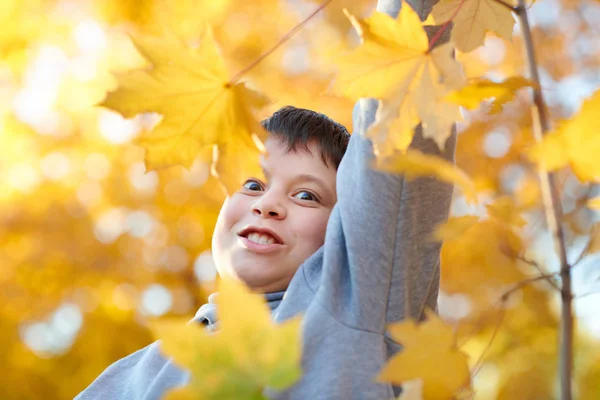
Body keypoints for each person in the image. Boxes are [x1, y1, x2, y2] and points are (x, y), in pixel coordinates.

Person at [76, 100, 455, 399]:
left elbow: (400, 138)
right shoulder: (128, 375)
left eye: (306, 195)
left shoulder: (357, 308)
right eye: (253, 185)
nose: (267, 204)